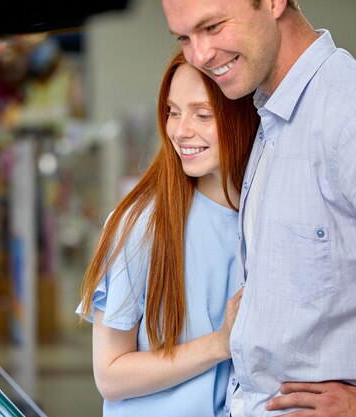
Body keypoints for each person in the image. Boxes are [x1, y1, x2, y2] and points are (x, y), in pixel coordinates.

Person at [161, 1, 356, 416]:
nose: (199, 55)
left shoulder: (351, 118)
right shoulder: (271, 114)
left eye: (212, 27)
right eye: (184, 37)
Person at [76, 50, 259, 416]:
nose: (180, 130)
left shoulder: (262, 217)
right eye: (173, 112)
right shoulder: (140, 223)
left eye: (202, 114)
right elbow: (110, 375)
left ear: (244, 115)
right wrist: (219, 344)